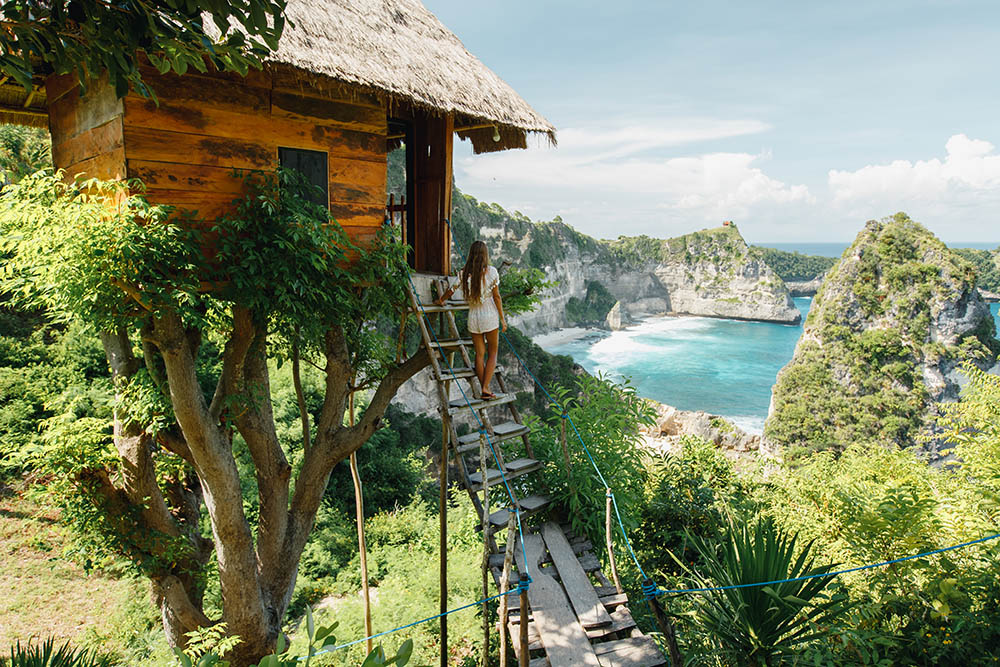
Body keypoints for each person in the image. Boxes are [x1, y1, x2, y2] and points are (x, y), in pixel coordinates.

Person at [434, 241, 507, 400]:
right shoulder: (492, 272)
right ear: (485, 255)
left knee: (479, 355)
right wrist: (502, 318)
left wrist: (441, 300)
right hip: (489, 316)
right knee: (493, 352)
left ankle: (484, 389)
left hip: (474, 318)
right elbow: (497, 297)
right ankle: (486, 387)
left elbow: (451, 290)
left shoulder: (463, 273)